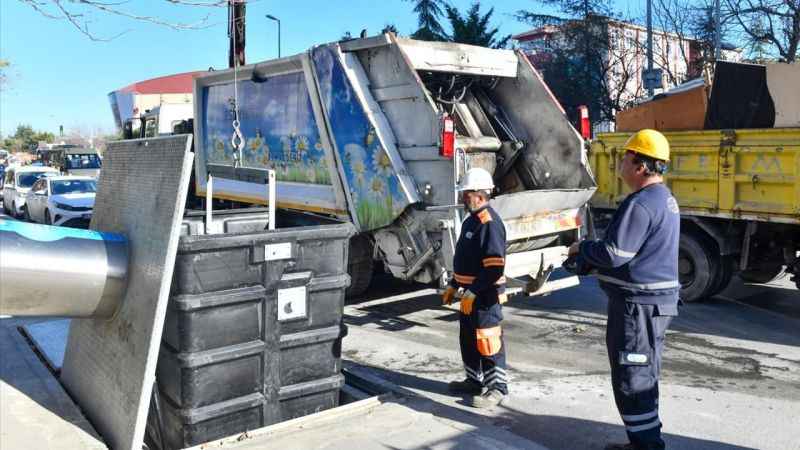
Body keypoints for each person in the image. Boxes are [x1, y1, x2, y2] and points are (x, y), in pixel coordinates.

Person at [569, 129, 680, 450]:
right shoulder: (664, 199)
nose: (619, 163)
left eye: (625, 158)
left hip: (638, 308)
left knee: (633, 376)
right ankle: (644, 440)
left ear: (642, 165)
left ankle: (647, 445)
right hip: (654, 305)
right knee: (645, 372)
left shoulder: (642, 203)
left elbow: (615, 254)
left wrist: (583, 249)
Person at [443, 167, 509, 408]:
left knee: (488, 341)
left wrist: (473, 291)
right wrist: (453, 284)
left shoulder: (489, 224)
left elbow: (494, 268)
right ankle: (474, 381)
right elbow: (466, 260)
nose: (462, 198)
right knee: (468, 340)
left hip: (485, 297)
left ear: (479, 195)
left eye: (465, 193)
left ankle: (497, 388)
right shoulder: (471, 220)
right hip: (469, 297)